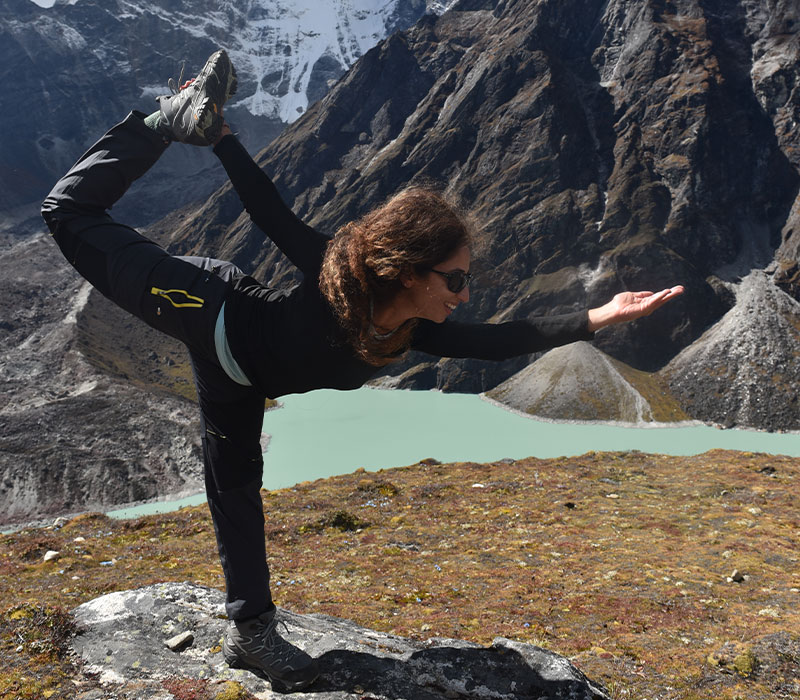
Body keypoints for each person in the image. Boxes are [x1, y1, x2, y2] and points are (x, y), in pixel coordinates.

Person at [41, 50, 683, 692]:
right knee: (67, 213)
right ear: (409, 272)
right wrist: (222, 136)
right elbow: (269, 212)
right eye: (455, 278)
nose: (463, 293)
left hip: (238, 381)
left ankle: (254, 632)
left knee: (235, 489)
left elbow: (495, 342)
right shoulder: (333, 274)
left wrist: (598, 318)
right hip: (204, 310)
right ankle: (163, 123)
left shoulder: (413, 328)